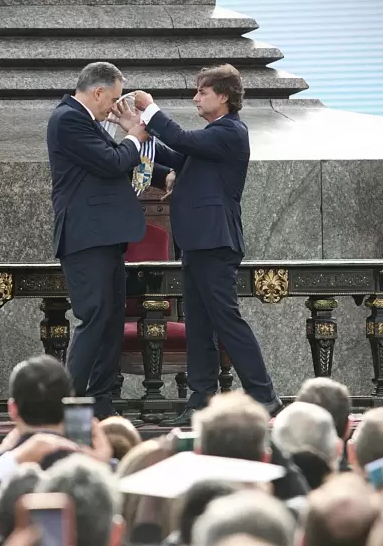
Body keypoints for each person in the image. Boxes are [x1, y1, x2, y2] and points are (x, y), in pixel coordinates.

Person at [112, 64, 282, 426]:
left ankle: (264, 395)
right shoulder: (212, 137)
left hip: (215, 242)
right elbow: (174, 157)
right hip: (196, 243)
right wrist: (135, 134)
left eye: (202, 92)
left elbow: (182, 141)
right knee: (200, 326)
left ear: (223, 96)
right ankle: (201, 401)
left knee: (226, 320)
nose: (195, 98)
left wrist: (150, 108)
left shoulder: (231, 132)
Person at [46, 62, 168, 420]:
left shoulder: (86, 121)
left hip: (106, 236)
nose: (114, 107)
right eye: (113, 98)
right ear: (97, 91)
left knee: (111, 319)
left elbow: (120, 162)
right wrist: (134, 135)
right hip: (86, 237)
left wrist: (165, 171)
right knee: (94, 317)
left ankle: (99, 403)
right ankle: (68, 404)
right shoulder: (68, 119)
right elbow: (112, 162)